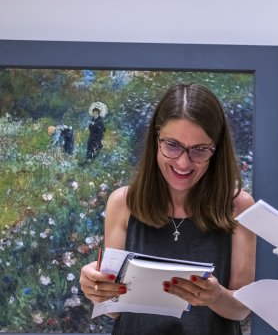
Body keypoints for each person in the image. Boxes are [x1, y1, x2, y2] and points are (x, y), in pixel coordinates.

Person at [79, 83, 256, 334]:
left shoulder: (239, 206)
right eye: (172, 145)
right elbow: (115, 309)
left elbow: (241, 309)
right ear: (155, 139)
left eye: (200, 150)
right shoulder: (123, 203)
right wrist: (96, 288)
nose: (183, 162)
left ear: (216, 150)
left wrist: (216, 297)